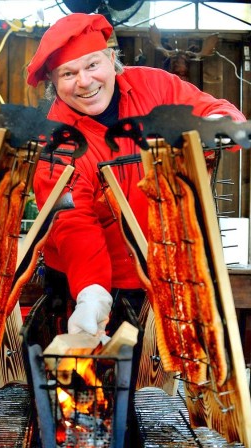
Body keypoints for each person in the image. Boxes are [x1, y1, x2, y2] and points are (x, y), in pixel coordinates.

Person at [26, 13, 246, 339]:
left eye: (92, 65)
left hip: (156, 273)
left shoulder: (155, 86)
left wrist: (220, 124)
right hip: (83, 285)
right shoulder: (56, 141)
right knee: (89, 376)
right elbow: (72, 221)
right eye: (68, 74)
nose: (84, 81)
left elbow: (211, 107)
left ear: (111, 59)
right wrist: (91, 291)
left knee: (153, 374)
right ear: (54, 84)